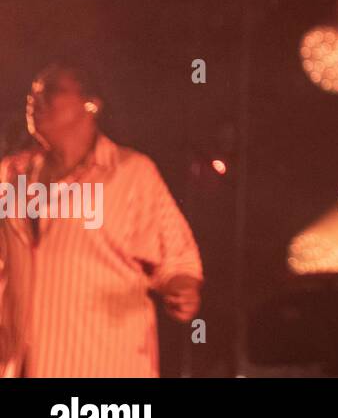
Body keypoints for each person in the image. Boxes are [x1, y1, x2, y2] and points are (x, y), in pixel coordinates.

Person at [0, 63, 203, 377]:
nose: (34, 98)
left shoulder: (130, 174)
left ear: (90, 104)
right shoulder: (12, 176)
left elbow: (178, 258)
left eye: (50, 90)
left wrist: (182, 290)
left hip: (101, 377)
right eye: (32, 92)